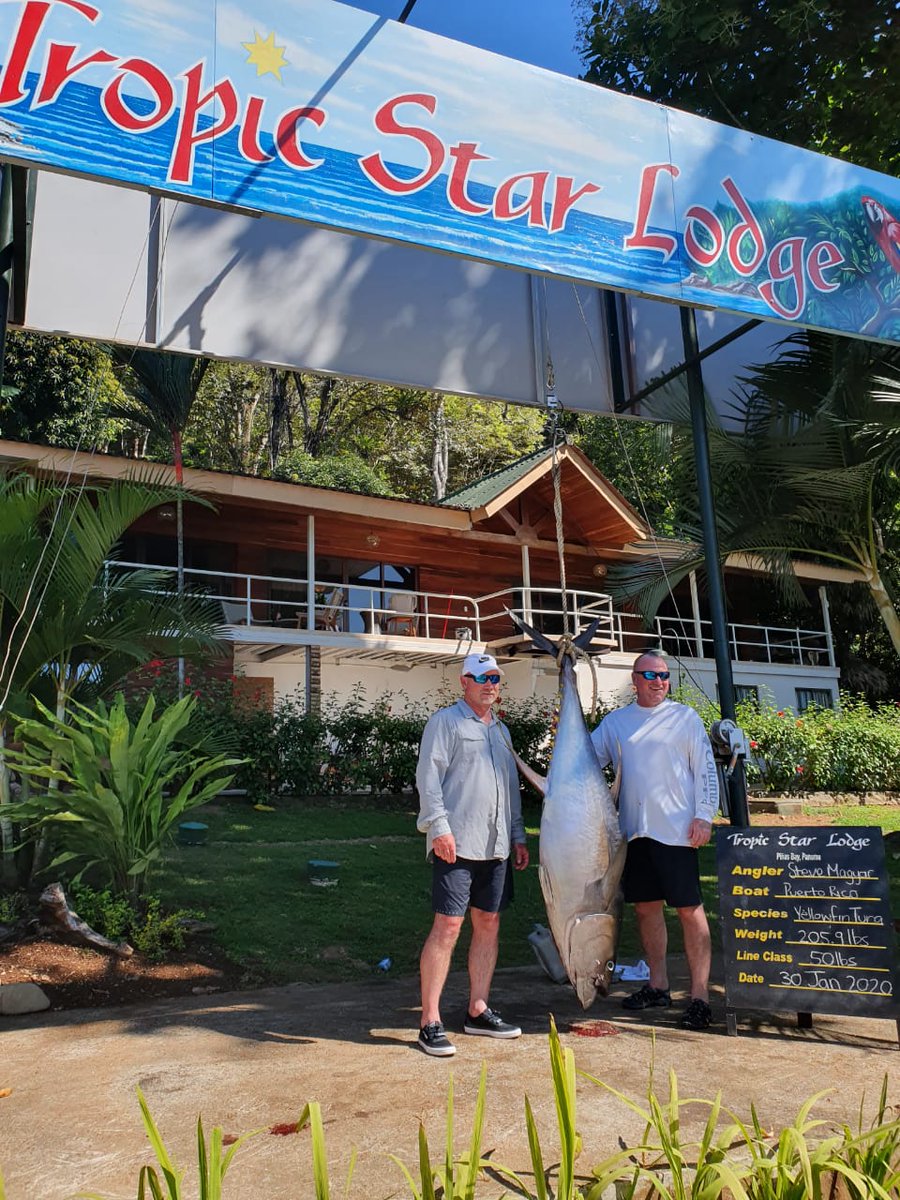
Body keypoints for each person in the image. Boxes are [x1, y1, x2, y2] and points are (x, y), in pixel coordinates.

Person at [591, 651, 719, 1031]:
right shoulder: (617, 723)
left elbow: (705, 769)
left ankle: (699, 997)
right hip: (634, 832)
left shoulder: (685, 718)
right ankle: (657, 984)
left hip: (678, 833)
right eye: (649, 674)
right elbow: (586, 759)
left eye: (663, 675)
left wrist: (704, 815)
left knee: (689, 911)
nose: (658, 681)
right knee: (646, 909)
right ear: (635, 680)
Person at [414, 652, 530, 1057]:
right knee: (447, 926)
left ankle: (478, 1009)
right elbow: (428, 779)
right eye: (481, 677)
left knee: (489, 922)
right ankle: (429, 1020)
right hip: (457, 843)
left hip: (496, 845)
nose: (490, 684)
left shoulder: (502, 731)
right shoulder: (444, 722)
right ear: (463, 681)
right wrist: (439, 828)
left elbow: (510, 789)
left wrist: (518, 836)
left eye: (495, 678)